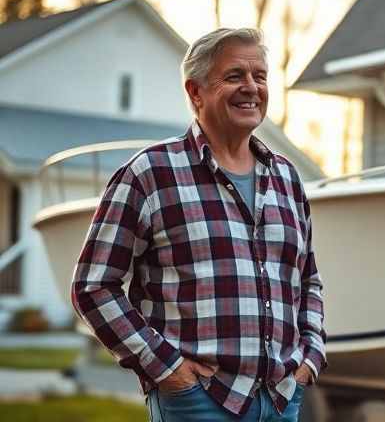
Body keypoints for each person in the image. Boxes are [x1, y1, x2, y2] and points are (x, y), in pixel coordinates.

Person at [72, 28, 325, 422]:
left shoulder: (287, 178)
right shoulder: (150, 173)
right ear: (195, 92)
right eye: (234, 76)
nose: (251, 88)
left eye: (259, 76)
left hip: (281, 399)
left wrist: (309, 356)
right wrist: (165, 369)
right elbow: (93, 286)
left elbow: (307, 280)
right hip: (198, 401)